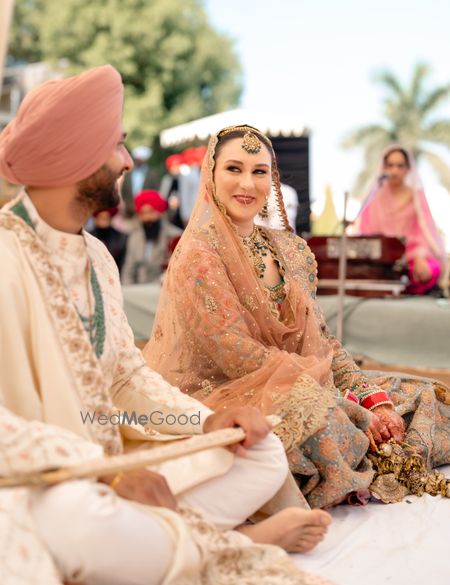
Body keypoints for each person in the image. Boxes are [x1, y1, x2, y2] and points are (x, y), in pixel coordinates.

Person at [0, 70, 333, 585]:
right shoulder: (6, 256)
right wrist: (109, 476)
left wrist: (205, 422)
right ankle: (235, 545)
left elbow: (127, 379)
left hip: (113, 467)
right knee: (74, 519)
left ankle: (156, 540)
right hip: (41, 480)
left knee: (259, 452)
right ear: (76, 155)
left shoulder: (96, 258)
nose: (128, 162)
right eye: (117, 146)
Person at [144, 125, 450, 510]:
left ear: (271, 179)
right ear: (211, 174)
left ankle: (377, 449)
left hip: (303, 379)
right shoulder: (200, 256)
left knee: (424, 393)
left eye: (259, 171)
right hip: (233, 391)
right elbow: (235, 354)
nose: (247, 183)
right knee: (326, 422)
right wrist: (341, 401)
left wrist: (370, 398)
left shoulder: (289, 249)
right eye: (234, 169)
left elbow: (322, 339)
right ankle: (366, 452)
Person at [357, 145, 446, 294]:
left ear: (408, 169)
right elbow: (366, 233)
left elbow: (424, 232)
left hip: (411, 257)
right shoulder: (375, 197)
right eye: (390, 165)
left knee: (431, 269)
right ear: (384, 168)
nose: (395, 171)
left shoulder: (415, 196)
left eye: (400, 166)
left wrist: (419, 256)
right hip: (382, 259)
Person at [121, 190, 182, 285]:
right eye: (143, 213)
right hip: (138, 289)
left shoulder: (174, 236)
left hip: (164, 288)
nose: (147, 217)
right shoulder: (134, 238)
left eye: (151, 212)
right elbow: (128, 271)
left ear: (160, 212)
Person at [121, 145, 160, 219]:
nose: (138, 161)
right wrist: (129, 205)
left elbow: (155, 192)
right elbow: (124, 192)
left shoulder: (152, 174)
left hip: (147, 215)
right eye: (137, 159)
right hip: (130, 213)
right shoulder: (128, 174)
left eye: (140, 159)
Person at [89, 206, 127, 273]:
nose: (103, 220)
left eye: (106, 217)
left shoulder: (121, 238)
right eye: (101, 217)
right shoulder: (88, 237)